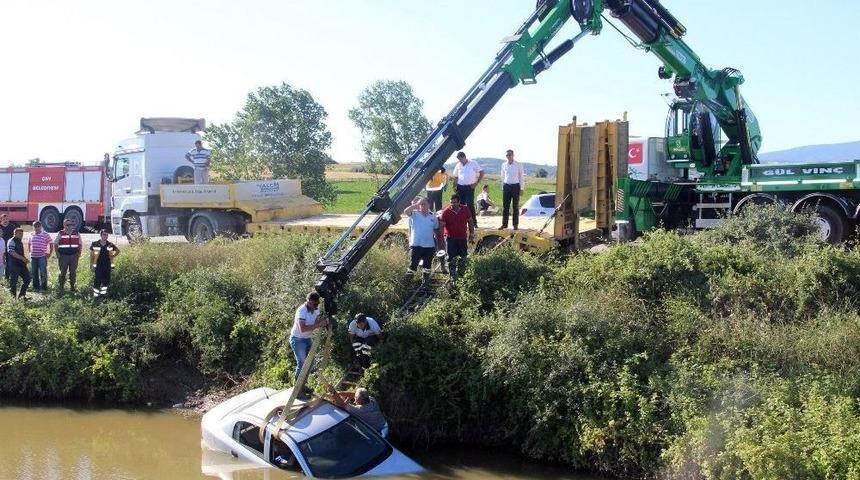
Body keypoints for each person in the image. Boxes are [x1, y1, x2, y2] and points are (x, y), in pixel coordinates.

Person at [290, 292, 329, 384]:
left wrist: (324, 321)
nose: (316, 306)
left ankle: (303, 384)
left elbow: (316, 322)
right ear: (309, 302)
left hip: (307, 338)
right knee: (302, 363)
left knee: (310, 362)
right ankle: (297, 386)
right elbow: (302, 329)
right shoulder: (301, 311)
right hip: (298, 339)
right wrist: (319, 324)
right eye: (314, 304)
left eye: (317, 304)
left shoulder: (315, 309)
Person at [438, 194, 473, 278]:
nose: (452, 204)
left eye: (454, 202)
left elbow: (470, 221)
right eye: (451, 202)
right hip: (450, 239)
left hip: (462, 238)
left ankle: (461, 275)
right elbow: (441, 226)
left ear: (459, 202)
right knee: (451, 258)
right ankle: (452, 276)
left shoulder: (465, 209)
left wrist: (471, 234)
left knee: (463, 257)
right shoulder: (446, 212)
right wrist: (442, 240)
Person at [403, 196, 439, 278]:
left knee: (427, 267)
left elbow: (436, 231)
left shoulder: (433, 217)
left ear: (429, 205)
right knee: (412, 266)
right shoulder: (415, 214)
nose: (422, 206)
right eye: (421, 204)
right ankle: (407, 283)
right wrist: (416, 204)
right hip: (416, 245)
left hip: (429, 246)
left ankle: (425, 283)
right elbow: (406, 211)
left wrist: (438, 245)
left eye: (424, 204)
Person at [451, 152, 483, 227]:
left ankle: (474, 223)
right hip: (460, 187)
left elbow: (482, 172)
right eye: (459, 160)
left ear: (464, 157)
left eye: (461, 159)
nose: (460, 161)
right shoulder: (458, 165)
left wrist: (476, 183)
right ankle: (462, 222)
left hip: (470, 187)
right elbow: (456, 176)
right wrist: (454, 186)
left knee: (470, 204)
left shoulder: (473, 163)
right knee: (460, 205)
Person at [54, 219, 82, 293]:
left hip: (74, 256)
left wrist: (79, 253)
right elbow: (55, 244)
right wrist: (57, 254)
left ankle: (72, 287)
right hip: (63, 256)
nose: (69, 226)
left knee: (73, 272)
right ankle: (61, 287)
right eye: (67, 225)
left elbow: (80, 244)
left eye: (71, 224)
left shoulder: (76, 233)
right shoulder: (60, 233)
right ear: (64, 225)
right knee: (62, 272)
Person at [90, 230, 120, 298]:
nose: (106, 236)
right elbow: (91, 255)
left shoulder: (110, 244)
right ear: (101, 235)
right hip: (98, 265)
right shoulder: (95, 244)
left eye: (107, 235)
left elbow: (118, 251)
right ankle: (96, 296)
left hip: (107, 265)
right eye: (104, 234)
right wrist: (91, 265)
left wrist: (113, 256)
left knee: (106, 281)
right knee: (97, 280)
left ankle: (103, 295)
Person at [500, 149, 525, 230]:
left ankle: (515, 225)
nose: (508, 156)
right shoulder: (504, 164)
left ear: (513, 155)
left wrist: (522, 188)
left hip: (515, 186)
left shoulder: (518, 164)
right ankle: (504, 224)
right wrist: (502, 187)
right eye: (507, 155)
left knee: (515, 206)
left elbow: (521, 177)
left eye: (509, 155)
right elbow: (502, 176)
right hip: (506, 186)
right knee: (505, 207)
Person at [28, 221, 53, 292]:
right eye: (35, 226)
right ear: (33, 227)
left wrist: (49, 253)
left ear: (41, 227)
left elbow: (51, 243)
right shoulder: (31, 234)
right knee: (34, 272)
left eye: (38, 226)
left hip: (42, 257)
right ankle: (36, 287)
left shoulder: (45, 234)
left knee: (43, 272)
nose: (37, 228)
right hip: (33, 257)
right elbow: (29, 243)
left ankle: (43, 288)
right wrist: (29, 252)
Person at [6, 228, 31, 299]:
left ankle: (21, 296)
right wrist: (22, 258)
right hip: (14, 265)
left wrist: (25, 259)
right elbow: (11, 252)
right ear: (15, 233)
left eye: (22, 234)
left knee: (27, 279)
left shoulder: (19, 241)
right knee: (13, 282)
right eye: (20, 234)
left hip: (21, 265)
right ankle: (13, 298)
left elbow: (20, 252)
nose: (21, 235)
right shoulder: (11, 241)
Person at [1, 213, 19, 281]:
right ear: (1, 220)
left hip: (9, 248)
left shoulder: (12, 227)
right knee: (1, 262)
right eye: (3, 219)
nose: (5, 220)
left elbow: (16, 236)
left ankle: (7, 277)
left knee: (9, 262)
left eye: (6, 219)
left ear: (8, 219)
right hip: (1, 248)